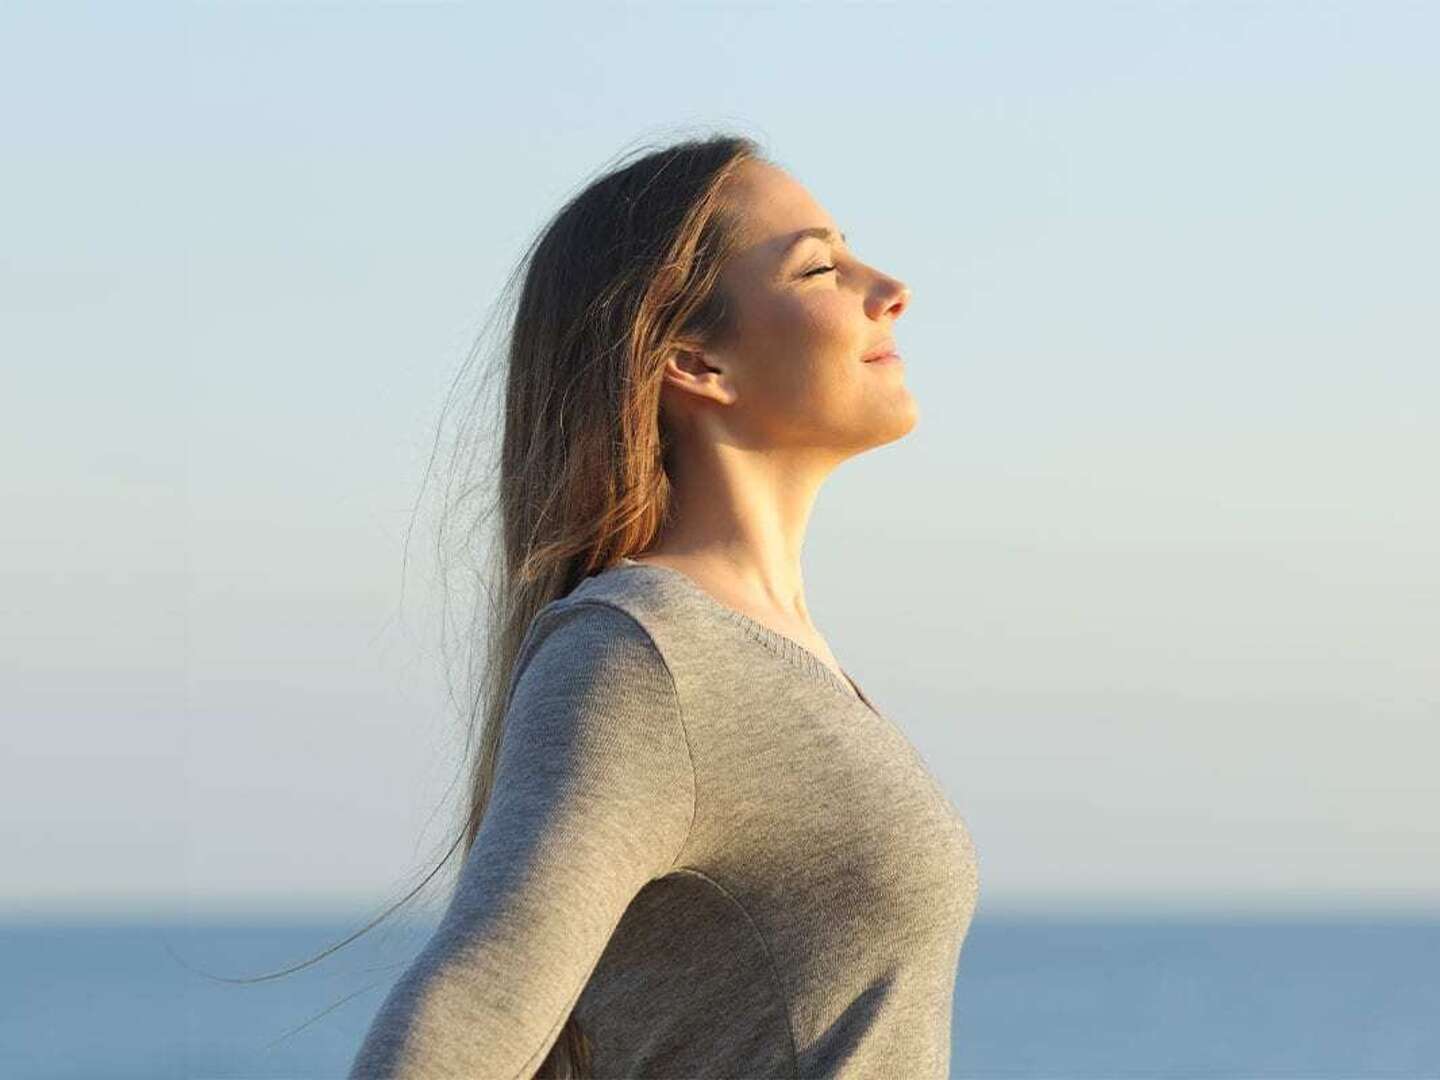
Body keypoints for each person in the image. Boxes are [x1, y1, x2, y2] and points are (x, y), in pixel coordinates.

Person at [346, 132, 981, 1079]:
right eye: (820, 267)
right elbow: (459, 1026)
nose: (888, 287)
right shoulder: (641, 656)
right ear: (694, 362)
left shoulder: (763, 650)